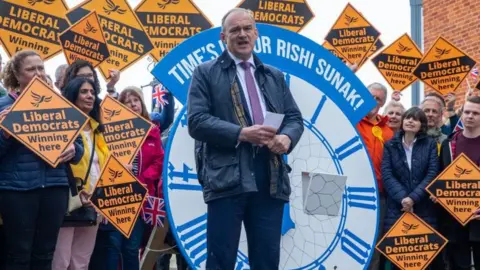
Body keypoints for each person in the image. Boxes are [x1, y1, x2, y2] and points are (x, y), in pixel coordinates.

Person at [187, 8, 303, 269]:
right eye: (235, 30)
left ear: (256, 33)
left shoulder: (273, 75)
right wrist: (241, 133)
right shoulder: (205, 72)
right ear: (223, 37)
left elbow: (294, 118)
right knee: (220, 259)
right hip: (227, 177)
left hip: (270, 178)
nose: (242, 34)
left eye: (247, 28)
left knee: (267, 261)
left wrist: (286, 138)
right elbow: (196, 122)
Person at [0, 50, 83, 269]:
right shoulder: (3, 106)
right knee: (19, 253)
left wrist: (75, 150)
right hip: (17, 191)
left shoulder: (59, 105)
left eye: (41, 68)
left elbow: (79, 147)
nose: (38, 73)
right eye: (31, 69)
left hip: (55, 187)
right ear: (17, 75)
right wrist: (5, 134)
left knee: (46, 253)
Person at [98, 86, 165, 270]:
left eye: (136, 100)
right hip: (116, 195)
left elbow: (159, 161)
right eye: (128, 102)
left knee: (131, 246)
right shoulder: (112, 130)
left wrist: (142, 179)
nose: (133, 104)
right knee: (112, 245)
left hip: (140, 197)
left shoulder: (153, 131)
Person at [52, 77, 109, 270]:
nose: (89, 96)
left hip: (94, 202)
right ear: (73, 94)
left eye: (92, 92)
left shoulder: (97, 130)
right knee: (61, 261)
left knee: (81, 262)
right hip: (69, 201)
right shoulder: (62, 125)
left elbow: (101, 166)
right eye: (84, 92)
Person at [382, 107, 443, 269]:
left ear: (421, 125)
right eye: (407, 118)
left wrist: (413, 198)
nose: (410, 121)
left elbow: (432, 173)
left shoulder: (430, 145)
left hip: (423, 208)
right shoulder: (390, 145)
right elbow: (387, 175)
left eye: (415, 119)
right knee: (400, 260)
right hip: (398, 208)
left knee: (422, 260)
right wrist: (403, 198)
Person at [436, 96, 480, 269]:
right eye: (467, 112)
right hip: (454, 218)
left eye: (476, 113)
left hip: (478, 217)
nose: (470, 116)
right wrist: (438, 193)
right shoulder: (449, 142)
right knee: (457, 265)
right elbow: (441, 175)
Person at [356, 82, 394, 270]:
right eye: (370, 96)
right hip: (351, 192)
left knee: (373, 243)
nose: (373, 101)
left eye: (378, 99)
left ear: (383, 102)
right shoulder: (351, 119)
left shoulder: (388, 131)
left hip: (379, 195)